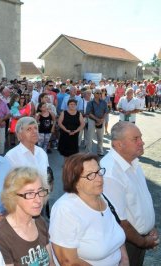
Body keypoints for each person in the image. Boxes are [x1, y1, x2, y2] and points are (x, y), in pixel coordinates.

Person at [49, 153, 128, 265]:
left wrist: (125, 260)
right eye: (90, 175)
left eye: (99, 172)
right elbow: (68, 261)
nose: (99, 179)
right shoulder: (65, 209)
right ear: (74, 181)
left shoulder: (103, 197)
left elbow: (117, 235)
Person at [101, 122, 159, 265]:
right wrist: (144, 242)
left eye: (140, 137)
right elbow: (120, 222)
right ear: (119, 144)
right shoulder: (111, 172)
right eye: (135, 139)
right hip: (126, 244)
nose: (142, 142)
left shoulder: (133, 162)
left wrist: (150, 227)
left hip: (138, 239)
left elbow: (140, 200)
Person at [0, 167, 55, 265]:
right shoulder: (0, 235)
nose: (38, 200)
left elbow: (51, 263)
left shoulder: (40, 221)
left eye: (40, 191)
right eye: (29, 193)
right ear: (13, 196)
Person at [5, 117, 49, 187]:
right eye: (29, 129)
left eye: (35, 128)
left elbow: (46, 177)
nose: (34, 131)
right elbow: (9, 186)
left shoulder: (41, 152)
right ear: (19, 135)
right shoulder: (11, 157)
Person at [85, 88, 108, 156]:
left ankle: (100, 151)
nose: (99, 94)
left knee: (100, 137)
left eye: (100, 93)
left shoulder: (104, 102)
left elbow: (106, 111)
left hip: (101, 120)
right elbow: (88, 113)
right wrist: (97, 119)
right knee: (90, 137)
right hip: (92, 120)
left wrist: (102, 119)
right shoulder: (90, 103)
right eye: (97, 93)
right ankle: (88, 152)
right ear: (94, 94)